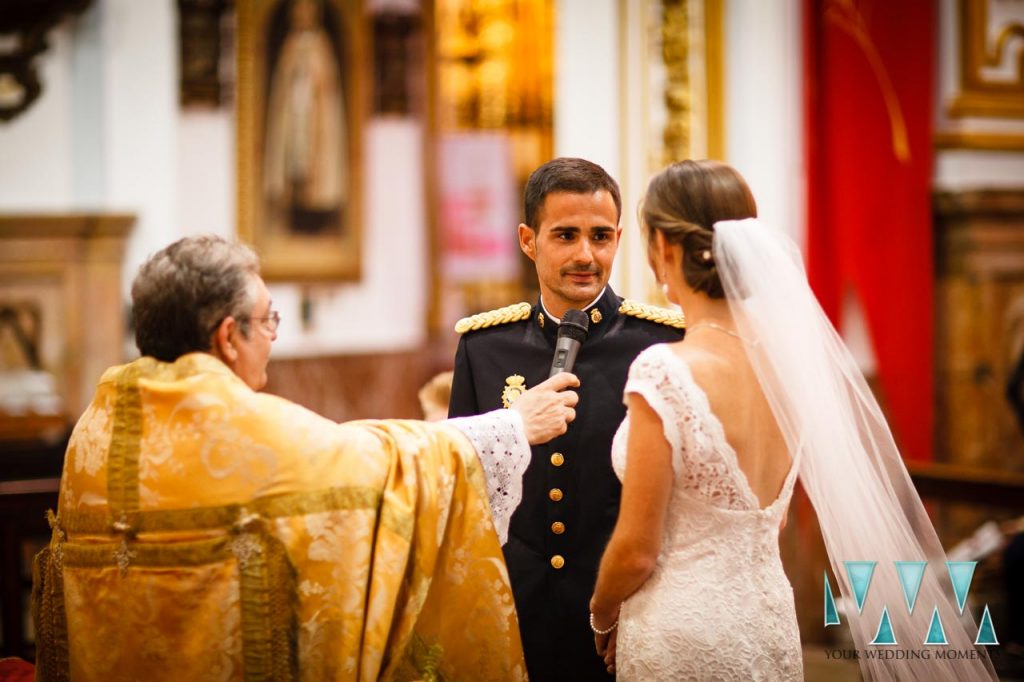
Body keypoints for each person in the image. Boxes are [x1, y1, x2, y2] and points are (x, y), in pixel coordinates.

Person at [31, 235, 579, 681]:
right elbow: (381, 465)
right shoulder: (238, 427)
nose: (271, 337)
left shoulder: (96, 428)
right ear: (227, 337)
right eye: (269, 320)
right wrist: (512, 425)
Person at [588, 160, 998, 680]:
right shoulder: (787, 368)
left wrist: (601, 614)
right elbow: (772, 520)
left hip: (682, 629)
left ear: (665, 248)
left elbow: (636, 551)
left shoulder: (664, 370)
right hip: (768, 622)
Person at [448, 157, 685, 680]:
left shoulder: (662, 344)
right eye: (565, 235)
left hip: (627, 610)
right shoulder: (484, 347)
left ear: (619, 238)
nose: (586, 254)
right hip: (518, 609)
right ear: (528, 240)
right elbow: (465, 487)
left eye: (600, 236)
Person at [264, 0, 346, 235]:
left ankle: (318, 220)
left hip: (315, 117)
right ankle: (289, 216)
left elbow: (327, 82)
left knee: (315, 170)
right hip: (294, 116)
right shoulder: (290, 44)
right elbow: (283, 79)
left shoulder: (321, 43)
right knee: (291, 163)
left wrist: (313, 75)